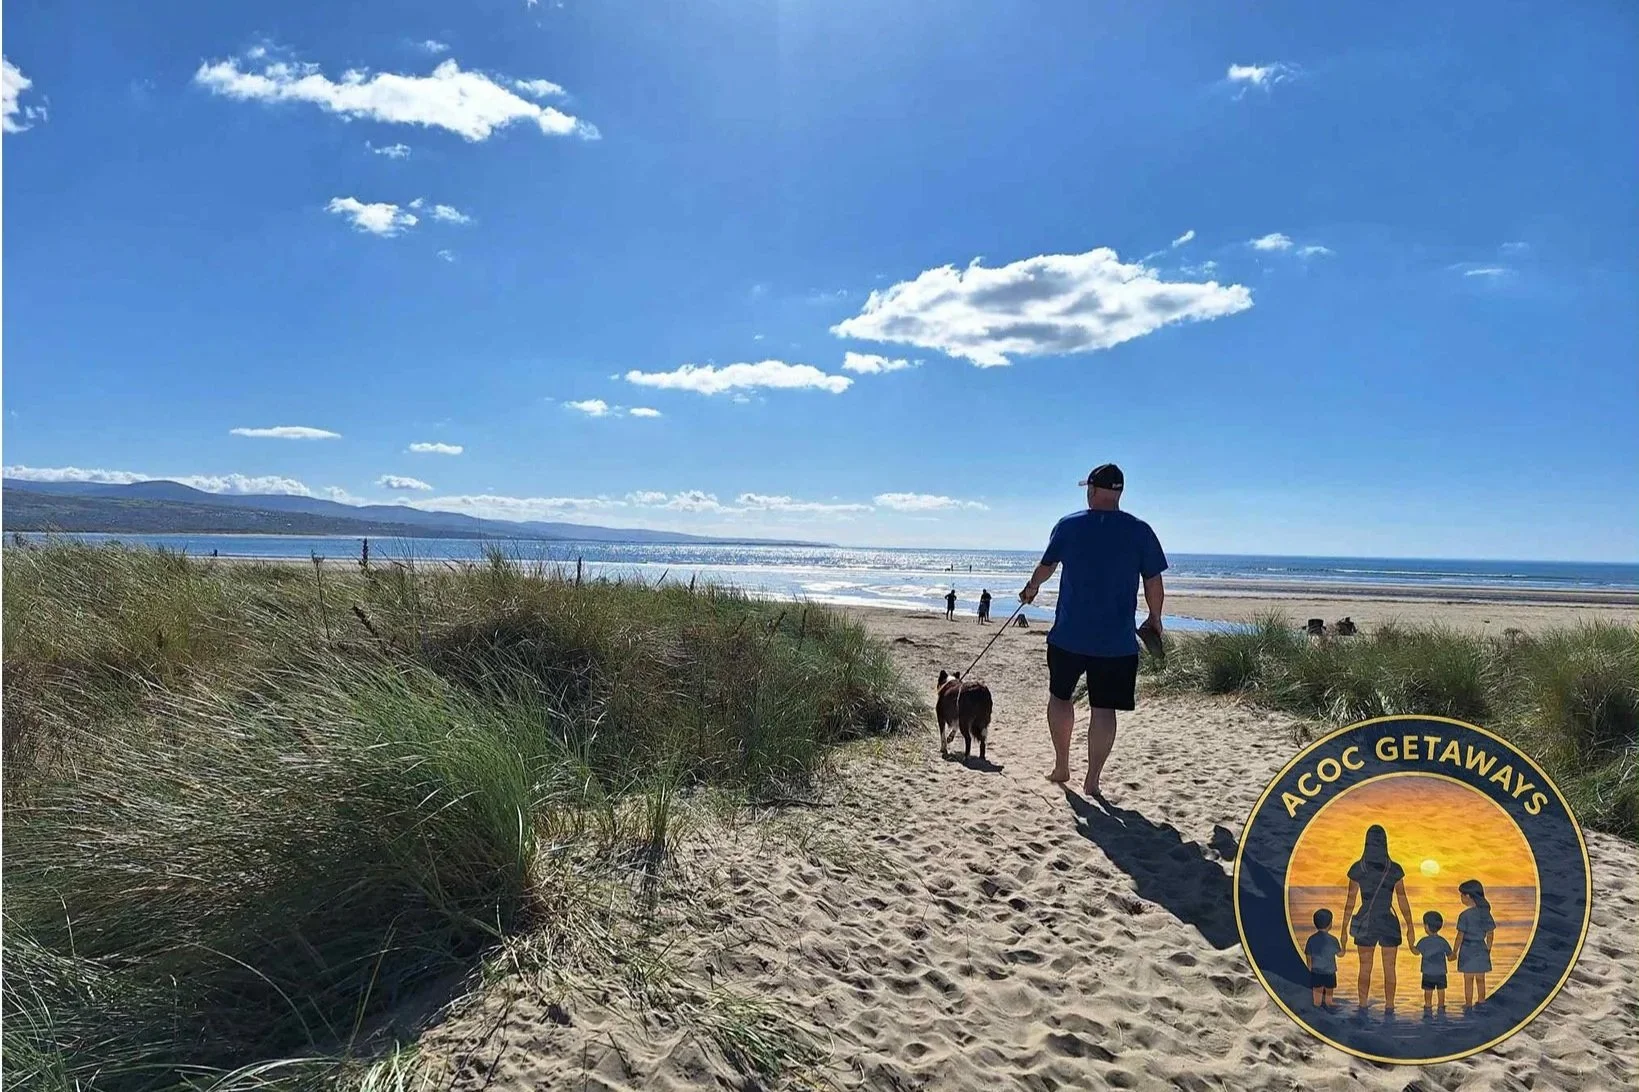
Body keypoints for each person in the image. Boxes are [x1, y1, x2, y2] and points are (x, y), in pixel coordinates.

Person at [1018, 463, 1167, 796]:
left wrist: (1030, 589)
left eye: (1089, 487)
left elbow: (1046, 567)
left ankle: (1062, 766)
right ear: (1119, 493)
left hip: (1070, 635)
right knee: (1104, 709)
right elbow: (1153, 581)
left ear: (1095, 490)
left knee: (1060, 699)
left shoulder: (1069, 525)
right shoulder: (1140, 530)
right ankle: (1093, 780)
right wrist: (1156, 619)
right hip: (1116, 642)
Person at [1338, 824, 1415, 1015]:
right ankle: (1390, 1008)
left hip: (1366, 921)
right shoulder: (1394, 869)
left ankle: (1363, 1007)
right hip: (1388, 920)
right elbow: (1402, 900)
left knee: (1365, 968)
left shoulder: (1358, 868)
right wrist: (1410, 926)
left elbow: (1350, 903)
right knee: (1390, 968)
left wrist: (1343, 931)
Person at [1453, 879, 1495, 1007]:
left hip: (1467, 949)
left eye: (1462, 895)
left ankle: (1468, 1003)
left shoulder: (1464, 915)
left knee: (1468, 979)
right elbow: (1490, 934)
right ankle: (1481, 1001)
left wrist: (1454, 951)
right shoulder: (1485, 913)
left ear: (1468, 896)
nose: (1461, 898)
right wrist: (1488, 949)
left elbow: (1460, 936)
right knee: (1481, 979)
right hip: (1481, 948)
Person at [1414, 910, 1453, 1016]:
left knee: (1428, 994)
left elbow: (1416, 952)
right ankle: (1441, 1009)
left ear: (1426, 926)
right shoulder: (1443, 941)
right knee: (1441, 992)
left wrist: (1410, 944)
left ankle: (1427, 1009)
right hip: (1441, 973)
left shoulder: (1423, 941)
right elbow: (1450, 955)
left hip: (1427, 973)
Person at [1306, 908, 1341, 1008]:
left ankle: (1317, 1006)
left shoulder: (1311, 939)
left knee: (1317, 997)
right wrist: (1343, 945)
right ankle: (1329, 1004)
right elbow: (1339, 954)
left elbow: (1308, 955)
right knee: (1329, 995)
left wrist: (1309, 968)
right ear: (1330, 924)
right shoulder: (1333, 940)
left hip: (1316, 971)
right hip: (1330, 972)